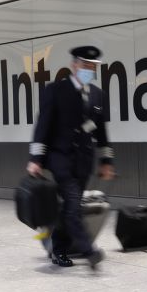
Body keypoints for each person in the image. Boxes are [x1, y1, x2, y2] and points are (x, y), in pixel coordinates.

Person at [27, 45, 115, 268]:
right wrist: (36, 159)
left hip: (84, 161)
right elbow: (43, 126)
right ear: (74, 65)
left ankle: (58, 249)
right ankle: (89, 251)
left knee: (69, 208)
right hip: (61, 159)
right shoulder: (56, 90)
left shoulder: (97, 94)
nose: (89, 69)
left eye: (92, 66)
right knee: (74, 204)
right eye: (85, 65)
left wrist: (106, 161)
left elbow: (102, 132)